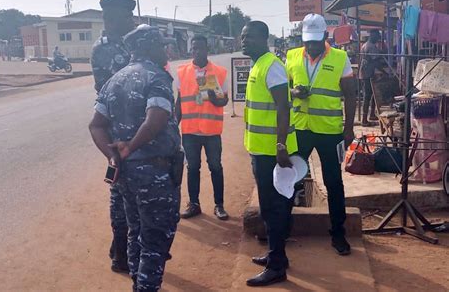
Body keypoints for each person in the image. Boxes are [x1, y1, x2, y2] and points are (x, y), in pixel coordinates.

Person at [89, 25, 180, 292]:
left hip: (126, 176)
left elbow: (96, 125)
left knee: (135, 233)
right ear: (148, 47)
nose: (166, 50)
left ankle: (137, 285)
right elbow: (157, 117)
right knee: (155, 240)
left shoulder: (113, 81)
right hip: (155, 175)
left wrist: (113, 157)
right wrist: (130, 147)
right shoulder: (157, 77)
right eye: (162, 45)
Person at [285, 13, 356, 256]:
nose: (311, 46)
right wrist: (294, 92)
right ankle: (282, 229)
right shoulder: (292, 56)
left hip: (330, 131)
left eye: (315, 41)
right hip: (301, 128)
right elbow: (284, 90)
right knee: (290, 178)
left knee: (333, 182)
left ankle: (338, 233)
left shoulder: (340, 58)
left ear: (325, 36)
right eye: (307, 41)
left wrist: (349, 128)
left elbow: (350, 94)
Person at [241, 21, 298, 287]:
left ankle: (276, 267)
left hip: (272, 153)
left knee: (274, 209)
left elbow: (283, 107)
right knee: (271, 207)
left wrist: (280, 145)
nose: (244, 41)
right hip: (261, 151)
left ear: (264, 39)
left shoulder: (271, 66)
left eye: (249, 37)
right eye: (242, 37)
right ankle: (277, 256)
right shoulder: (258, 64)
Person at [90, 0, 136, 273]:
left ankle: (121, 245)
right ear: (111, 18)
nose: (130, 20)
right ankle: (121, 254)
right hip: (117, 128)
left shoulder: (127, 43)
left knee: (129, 189)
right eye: (125, 16)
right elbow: (120, 88)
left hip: (130, 127)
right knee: (119, 189)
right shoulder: (105, 48)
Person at [176, 35, 229, 220]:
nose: (197, 51)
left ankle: (219, 205)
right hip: (190, 131)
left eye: (200, 48)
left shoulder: (219, 72)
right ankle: (194, 204)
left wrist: (214, 98)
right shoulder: (182, 72)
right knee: (192, 168)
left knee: (215, 167)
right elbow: (178, 103)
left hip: (212, 131)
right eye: (194, 48)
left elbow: (224, 100)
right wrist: (174, 126)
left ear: (208, 49)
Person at [359, 29, 383, 126]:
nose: (378, 39)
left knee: (373, 95)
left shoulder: (365, 45)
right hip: (368, 74)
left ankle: (372, 114)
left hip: (366, 73)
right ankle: (364, 120)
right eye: (377, 37)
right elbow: (376, 61)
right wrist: (384, 71)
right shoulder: (370, 46)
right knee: (368, 96)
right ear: (373, 36)